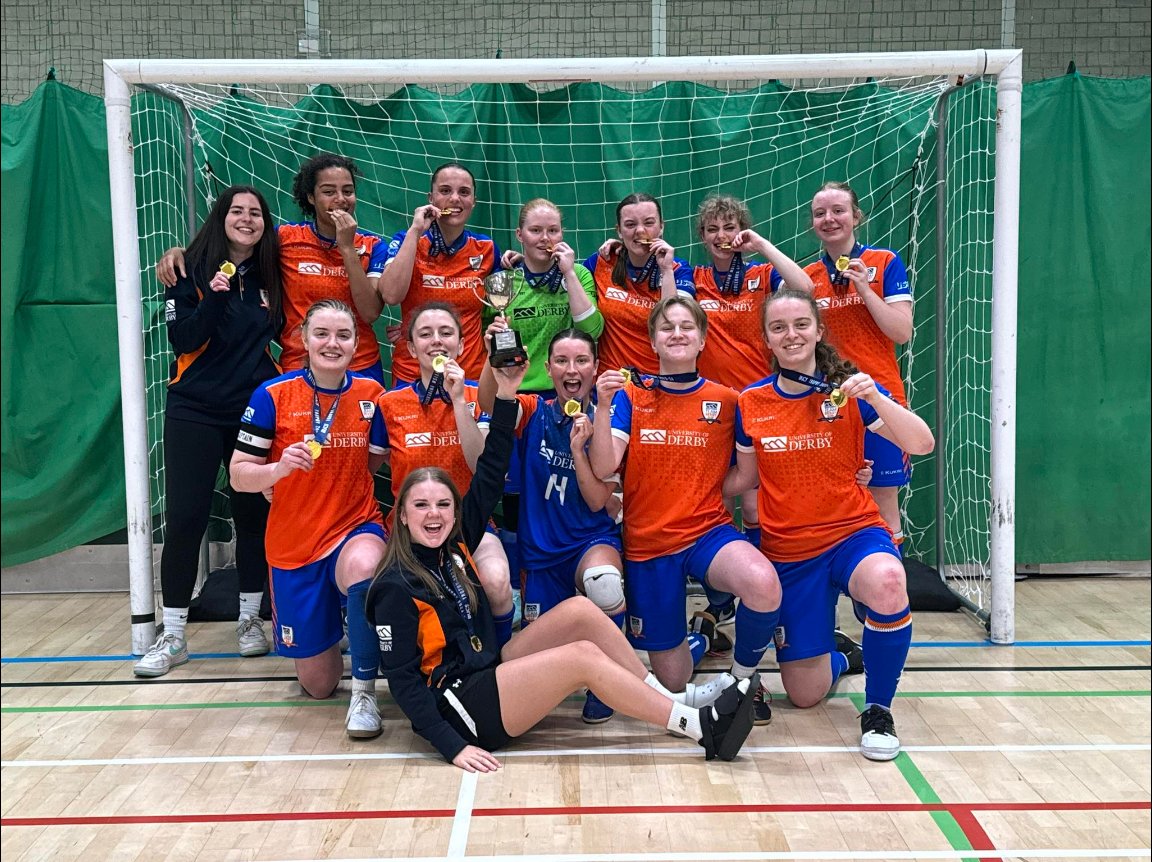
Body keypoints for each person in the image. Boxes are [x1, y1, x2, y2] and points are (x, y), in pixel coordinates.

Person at [367, 357, 759, 770]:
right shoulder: (395, 584)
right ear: (403, 514)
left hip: (485, 670)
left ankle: (668, 697)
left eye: (444, 504)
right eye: (422, 506)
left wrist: (505, 392)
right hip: (461, 711)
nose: (435, 515)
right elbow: (404, 682)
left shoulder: (455, 540)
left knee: (580, 611)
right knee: (581, 658)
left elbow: (492, 465)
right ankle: (698, 725)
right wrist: (453, 746)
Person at [725, 287, 935, 761]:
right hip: (790, 555)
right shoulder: (751, 403)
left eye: (801, 324)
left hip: (852, 534)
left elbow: (922, 443)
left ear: (819, 330)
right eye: (778, 327)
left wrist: (877, 400)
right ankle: (841, 655)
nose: (791, 334)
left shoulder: (849, 390)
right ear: (767, 339)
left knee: (887, 581)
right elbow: (745, 478)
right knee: (804, 694)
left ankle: (878, 710)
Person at [588, 295, 782, 725]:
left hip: (707, 531)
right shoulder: (630, 395)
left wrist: (705, 489)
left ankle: (743, 680)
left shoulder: (729, 400)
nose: (677, 333)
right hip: (649, 542)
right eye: (667, 327)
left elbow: (744, 476)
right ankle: (701, 637)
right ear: (653, 341)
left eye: (686, 327)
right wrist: (602, 407)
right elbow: (603, 467)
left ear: (702, 340)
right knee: (673, 685)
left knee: (763, 583)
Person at [134, 185, 283, 678]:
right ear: (221, 218)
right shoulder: (186, 269)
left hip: (252, 412)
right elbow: (184, 337)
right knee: (185, 520)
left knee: (252, 518)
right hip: (194, 409)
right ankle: (173, 634)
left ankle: (249, 622)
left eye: (255, 213)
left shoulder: (272, 274)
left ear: (265, 223)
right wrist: (215, 297)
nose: (246, 219)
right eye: (237, 211)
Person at [229, 299, 390, 739]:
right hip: (294, 545)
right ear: (303, 340)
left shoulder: (372, 396)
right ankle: (338, 629)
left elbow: (373, 463)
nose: (332, 343)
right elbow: (239, 475)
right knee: (318, 686)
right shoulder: (272, 396)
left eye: (343, 335)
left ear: (357, 344)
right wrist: (277, 470)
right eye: (322, 334)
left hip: (354, 528)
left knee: (365, 568)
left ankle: (364, 693)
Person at [478, 323, 625, 723]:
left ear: (595, 368)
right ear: (549, 367)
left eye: (581, 360)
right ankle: (581, 667)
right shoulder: (533, 410)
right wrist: (495, 361)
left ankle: (606, 685)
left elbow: (599, 496)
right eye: (562, 360)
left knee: (605, 585)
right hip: (541, 552)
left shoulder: (611, 410)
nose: (571, 369)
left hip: (589, 540)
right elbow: (491, 405)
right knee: (534, 662)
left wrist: (582, 444)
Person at [688, 194, 817, 631]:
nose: (722, 236)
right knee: (715, 501)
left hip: (761, 405)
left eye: (729, 227)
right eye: (712, 229)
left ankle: (768, 591)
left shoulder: (762, 274)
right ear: (702, 236)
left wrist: (762, 246)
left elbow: (807, 289)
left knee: (759, 505)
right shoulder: (695, 277)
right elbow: (671, 312)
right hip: (710, 408)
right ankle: (721, 599)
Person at [158, 153, 390, 381]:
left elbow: (369, 313)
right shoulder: (285, 238)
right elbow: (238, 245)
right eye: (329, 192)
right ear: (310, 197)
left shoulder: (374, 245)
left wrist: (347, 248)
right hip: (299, 365)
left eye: (348, 191)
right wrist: (180, 253)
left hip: (360, 365)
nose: (340, 199)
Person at [771, 181, 914, 545]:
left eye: (838, 211)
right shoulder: (805, 278)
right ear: (812, 222)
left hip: (878, 400)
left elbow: (901, 332)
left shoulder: (884, 263)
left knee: (883, 502)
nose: (829, 219)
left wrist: (865, 289)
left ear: (856, 216)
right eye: (820, 213)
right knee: (829, 500)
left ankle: (886, 598)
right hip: (826, 405)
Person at [375, 302, 515, 643]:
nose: (436, 341)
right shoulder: (389, 404)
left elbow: (480, 464)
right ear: (410, 348)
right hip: (409, 529)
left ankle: (499, 660)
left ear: (462, 345)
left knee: (497, 580)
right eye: (425, 334)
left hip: (471, 524)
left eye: (446, 333)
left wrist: (456, 402)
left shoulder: (477, 396)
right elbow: (364, 469)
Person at [377, 162, 500, 384]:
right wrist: (415, 231)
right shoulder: (407, 240)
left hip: (468, 374)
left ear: (473, 202)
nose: (455, 198)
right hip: (412, 374)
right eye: (445, 191)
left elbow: (499, 307)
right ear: (431, 198)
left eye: (464, 192)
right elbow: (391, 296)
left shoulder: (487, 249)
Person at [585, 193, 695, 376]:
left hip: (660, 384)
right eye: (630, 224)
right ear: (619, 231)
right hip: (612, 386)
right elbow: (566, 273)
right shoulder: (602, 261)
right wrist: (529, 262)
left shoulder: (678, 269)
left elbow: (673, 321)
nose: (640, 231)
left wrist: (666, 270)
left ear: (661, 227)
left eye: (649, 223)